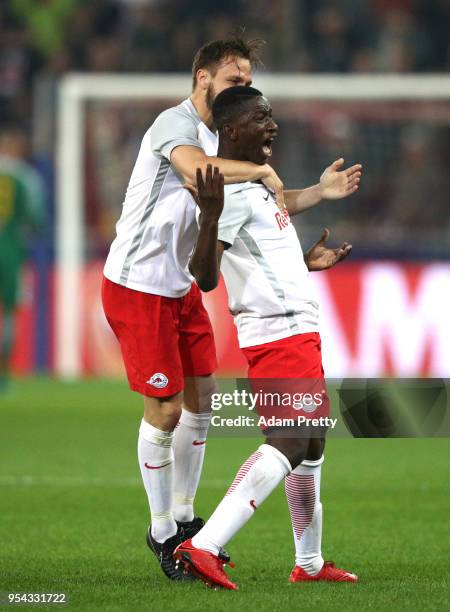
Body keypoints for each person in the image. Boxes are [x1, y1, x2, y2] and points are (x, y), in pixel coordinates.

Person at [101, 37, 361, 581]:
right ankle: (166, 529)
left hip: (181, 289)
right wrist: (264, 175)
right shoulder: (177, 129)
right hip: (141, 283)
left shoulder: (240, 160)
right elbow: (206, 178)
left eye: (248, 83)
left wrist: (312, 196)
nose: (244, 90)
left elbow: (262, 214)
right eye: (235, 81)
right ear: (202, 78)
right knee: (171, 411)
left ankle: (201, 525)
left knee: (208, 405)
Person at [174, 86, 361, 589]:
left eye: (272, 116)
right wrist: (210, 217)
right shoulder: (229, 193)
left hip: (298, 327)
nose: (272, 125)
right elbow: (206, 274)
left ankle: (310, 562)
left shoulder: (257, 186)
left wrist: (304, 264)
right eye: (261, 118)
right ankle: (203, 545)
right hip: (278, 334)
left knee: (312, 443)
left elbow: (255, 259)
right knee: (290, 439)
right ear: (231, 130)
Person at [0, 126, 45, 392]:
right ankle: (3, 376)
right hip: (11, 252)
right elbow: (36, 218)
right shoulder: (25, 177)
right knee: (8, 314)